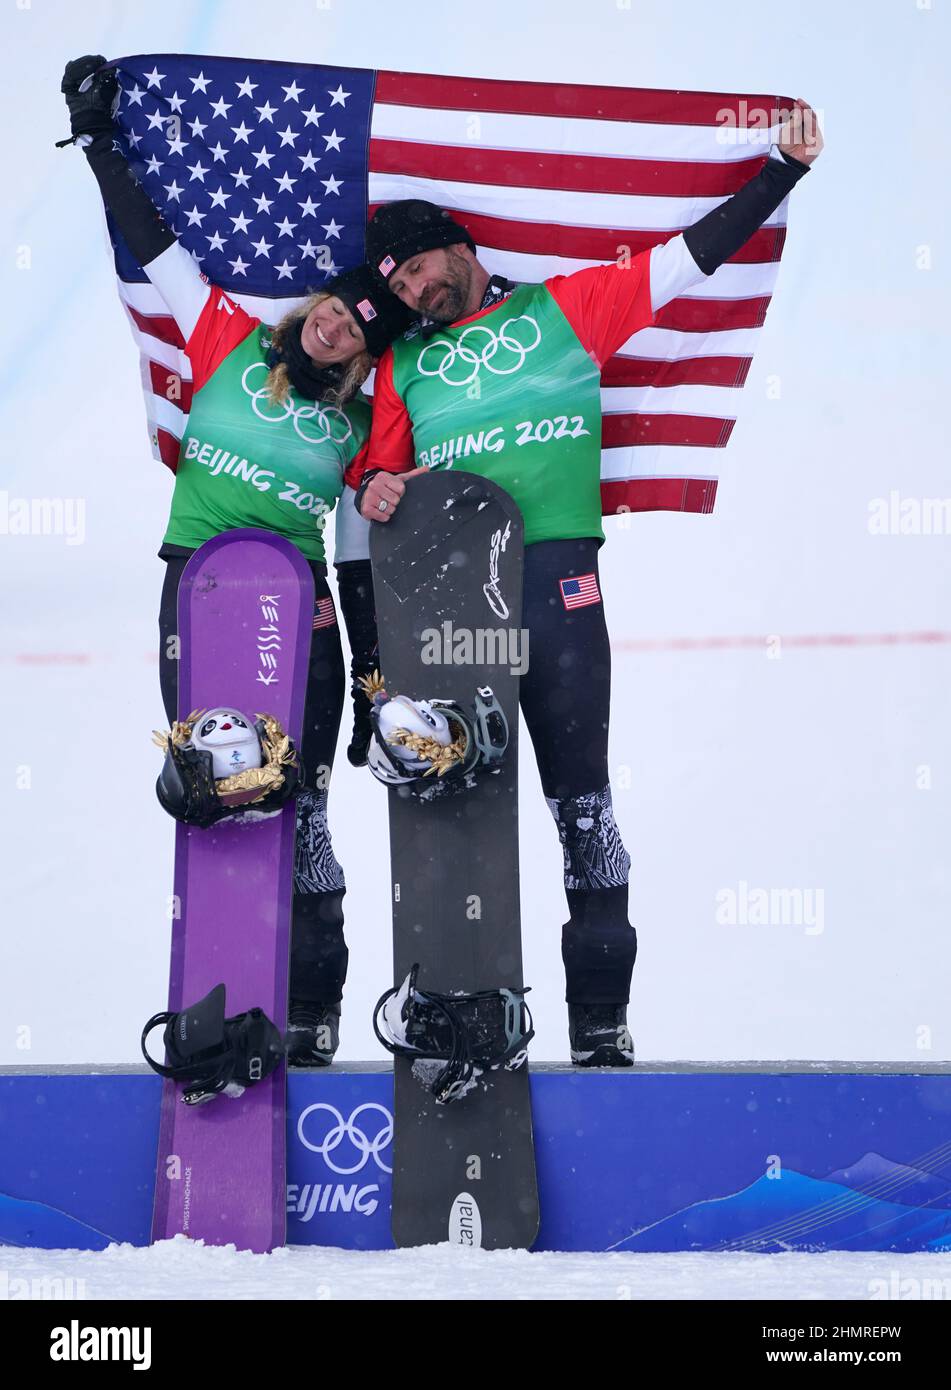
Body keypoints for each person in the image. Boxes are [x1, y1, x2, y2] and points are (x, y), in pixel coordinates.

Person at [349, 101, 824, 1066]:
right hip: (453, 603)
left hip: (556, 586)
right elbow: (371, 475)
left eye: (419, 268)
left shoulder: (565, 310)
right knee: (455, 807)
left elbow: (688, 258)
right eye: (397, 284)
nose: (413, 289)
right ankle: (460, 1017)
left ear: (458, 248)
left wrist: (781, 170)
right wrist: (373, 484)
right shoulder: (401, 364)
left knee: (584, 807)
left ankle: (600, 1023)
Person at [60, 55, 413, 1066]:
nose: (335, 328)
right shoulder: (225, 338)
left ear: (363, 358)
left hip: (298, 614)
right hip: (198, 589)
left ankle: (312, 1011)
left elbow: (359, 554)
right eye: (336, 309)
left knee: (301, 814)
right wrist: (100, 140)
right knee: (212, 788)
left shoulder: (363, 425)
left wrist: (372, 678)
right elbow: (154, 243)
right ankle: (219, 1009)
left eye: (355, 334)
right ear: (317, 303)